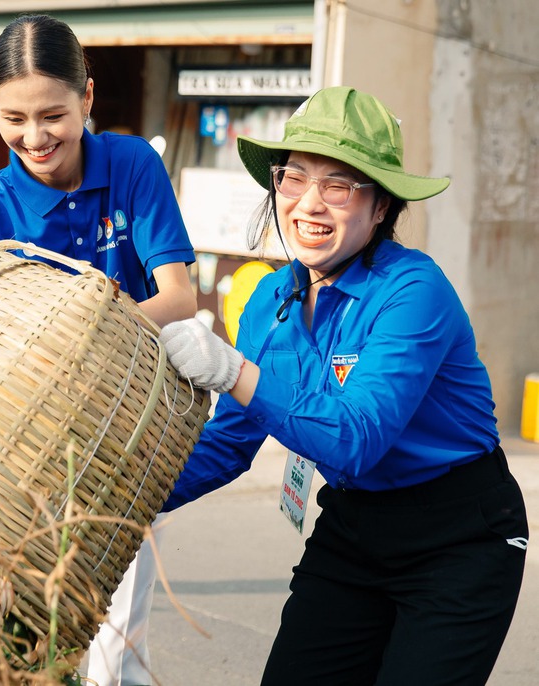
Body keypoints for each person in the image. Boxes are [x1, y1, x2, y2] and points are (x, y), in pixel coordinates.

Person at [159, 86, 528, 685]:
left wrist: (234, 371)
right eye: (294, 178)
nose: (309, 204)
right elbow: (228, 443)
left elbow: (357, 437)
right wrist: (118, 501)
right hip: (355, 527)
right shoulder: (266, 305)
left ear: (380, 207)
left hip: (459, 538)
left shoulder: (413, 293)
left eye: (339, 185)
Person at [0, 15, 197, 685]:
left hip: (129, 432)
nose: (34, 137)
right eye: (13, 119)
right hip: (21, 442)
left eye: (53, 114)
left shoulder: (133, 165)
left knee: (115, 645)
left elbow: (179, 299)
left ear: (86, 96)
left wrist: (80, 337)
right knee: (22, 632)